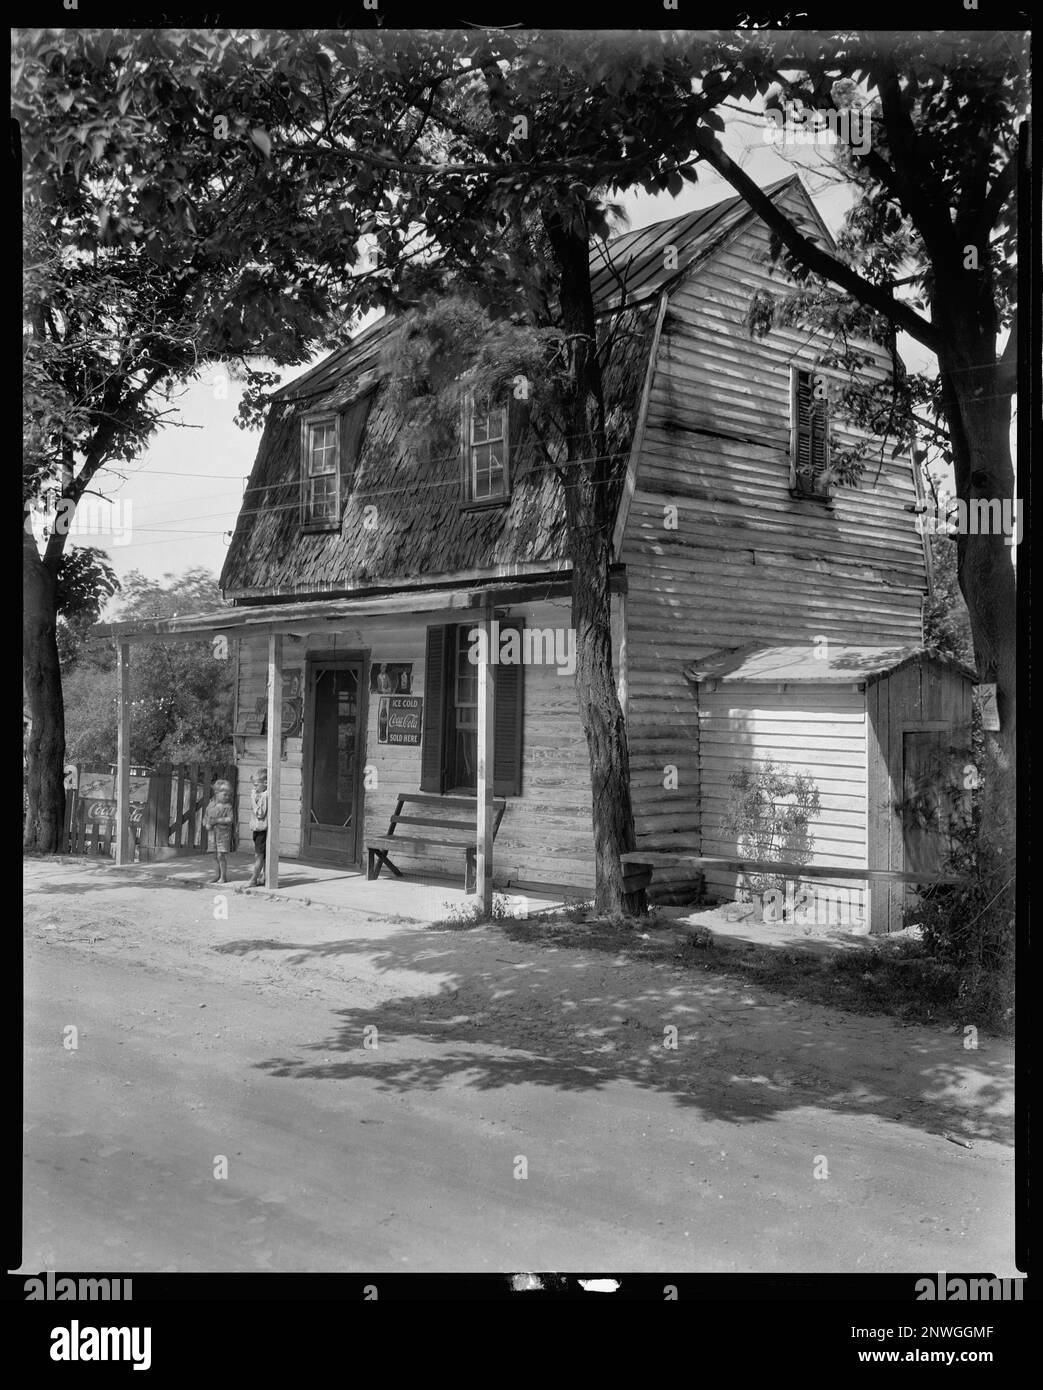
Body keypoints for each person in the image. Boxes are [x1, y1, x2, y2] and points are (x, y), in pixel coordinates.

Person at [203, 779, 235, 884]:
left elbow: (230, 819)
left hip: (223, 834)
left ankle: (223, 876)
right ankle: (216, 875)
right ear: (217, 793)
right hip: (212, 835)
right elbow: (206, 817)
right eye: (225, 794)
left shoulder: (228, 807)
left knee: (221, 855)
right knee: (214, 855)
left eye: (229, 795)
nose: (227, 797)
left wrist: (217, 820)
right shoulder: (211, 805)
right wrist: (207, 824)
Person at [244, 767, 268, 888]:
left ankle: (253, 879)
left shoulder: (264, 796)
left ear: (265, 783)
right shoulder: (260, 794)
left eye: (256, 785)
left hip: (262, 830)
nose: (254, 788)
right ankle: (264, 876)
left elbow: (260, 813)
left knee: (259, 855)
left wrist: (253, 799)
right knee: (261, 855)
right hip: (257, 829)